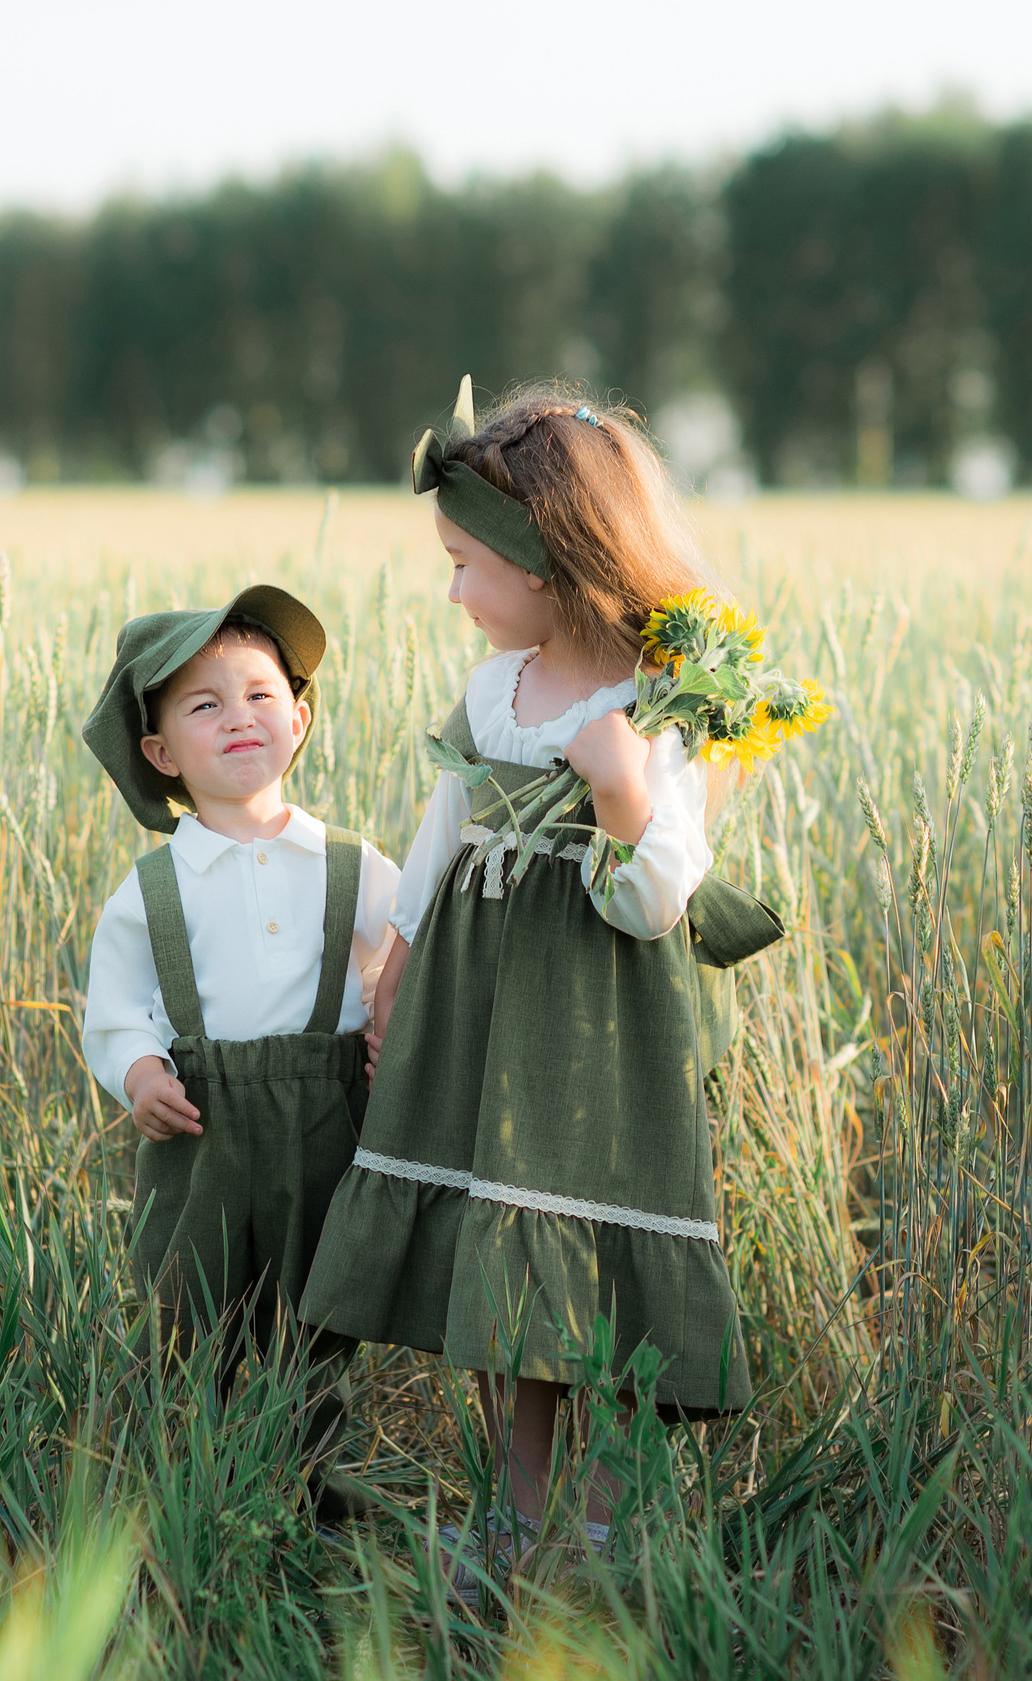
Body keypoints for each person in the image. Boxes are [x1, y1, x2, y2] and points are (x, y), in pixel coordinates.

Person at [297, 380, 782, 1582]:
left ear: (549, 558)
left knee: (588, 1265)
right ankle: (517, 1516)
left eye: (466, 561)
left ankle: (600, 1527)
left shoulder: (658, 704)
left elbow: (656, 898)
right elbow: (439, 834)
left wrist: (622, 789)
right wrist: (395, 964)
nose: (452, 589)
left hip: (595, 1027)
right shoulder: (491, 694)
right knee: (507, 1269)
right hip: (479, 1010)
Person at [78, 584, 399, 1520]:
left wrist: (390, 1026)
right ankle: (192, 1477)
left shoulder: (351, 863)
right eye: (205, 705)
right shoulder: (152, 890)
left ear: (300, 719)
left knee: (316, 1308)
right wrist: (140, 1073)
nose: (240, 718)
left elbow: (400, 959)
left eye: (261, 694)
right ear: (161, 752)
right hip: (203, 1126)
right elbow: (116, 1008)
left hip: (324, 1120)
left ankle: (308, 1477)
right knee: (192, 1302)